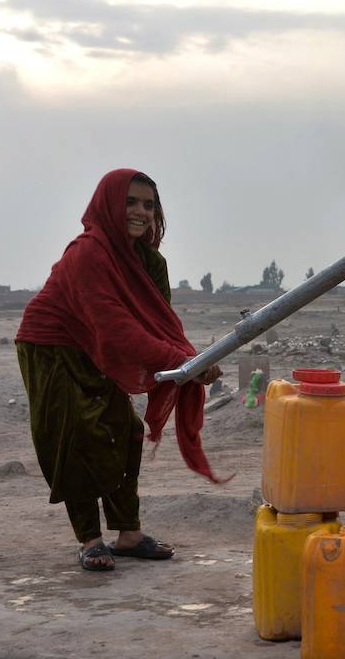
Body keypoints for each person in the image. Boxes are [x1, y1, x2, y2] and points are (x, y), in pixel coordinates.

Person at [16, 170, 224, 571]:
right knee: (73, 434)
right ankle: (90, 540)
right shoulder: (87, 253)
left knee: (124, 430)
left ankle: (128, 533)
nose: (141, 212)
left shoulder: (150, 261)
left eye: (149, 205)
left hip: (96, 345)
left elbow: (159, 323)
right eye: (131, 202)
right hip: (51, 345)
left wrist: (193, 360)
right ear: (108, 203)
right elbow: (116, 329)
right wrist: (182, 362)